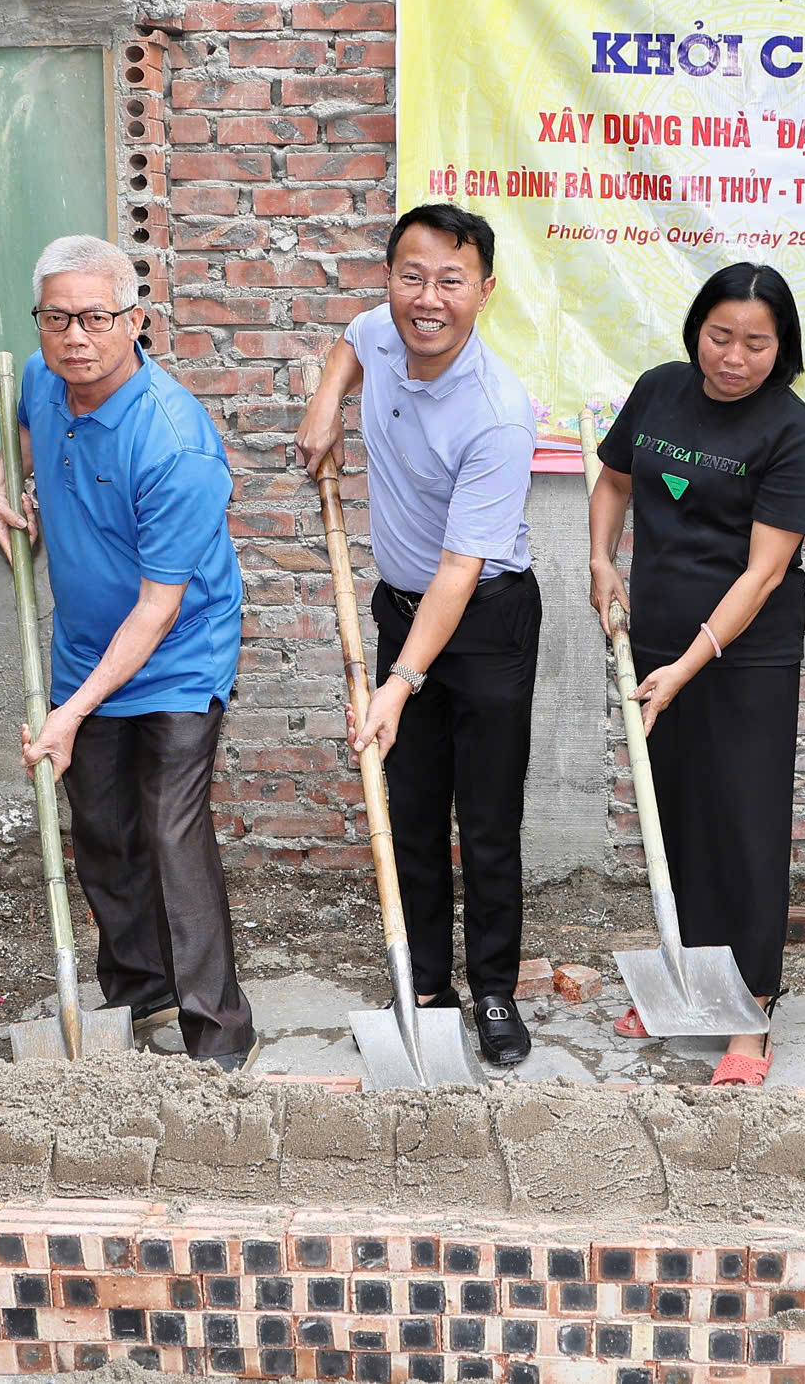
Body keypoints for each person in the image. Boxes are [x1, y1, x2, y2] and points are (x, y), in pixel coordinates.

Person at [0, 233, 255, 1069]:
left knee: (171, 833)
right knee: (101, 827)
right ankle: (141, 988)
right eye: (56, 318)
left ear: (136, 321)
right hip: (84, 646)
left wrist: (67, 716)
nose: (76, 337)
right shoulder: (41, 379)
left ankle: (219, 1033)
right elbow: (24, 433)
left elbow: (158, 610)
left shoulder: (173, 441)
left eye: (96, 318)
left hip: (178, 652)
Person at [293, 203, 540, 1067]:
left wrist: (399, 683)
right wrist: (326, 402)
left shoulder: (498, 414)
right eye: (412, 276)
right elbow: (352, 342)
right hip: (402, 608)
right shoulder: (385, 332)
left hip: (485, 621)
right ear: (392, 277)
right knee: (413, 810)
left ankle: (495, 988)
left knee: (488, 817)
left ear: (485, 291)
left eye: (451, 282)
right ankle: (427, 985)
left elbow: (461, 572)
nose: (427, 299)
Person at [587, 264, 805, 1086]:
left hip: (745, 655)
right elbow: (615, 480)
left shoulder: (795, 436)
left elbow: (764, 574)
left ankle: (750, 1012)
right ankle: (687, 981)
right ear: (696, 327)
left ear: (782, 347)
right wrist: (601, 559)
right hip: (656, 637)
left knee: (742, 824)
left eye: (756, 343)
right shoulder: (660, 390)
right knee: (678, 817)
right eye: (720, 336)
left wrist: (688, 666)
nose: (734, 357)